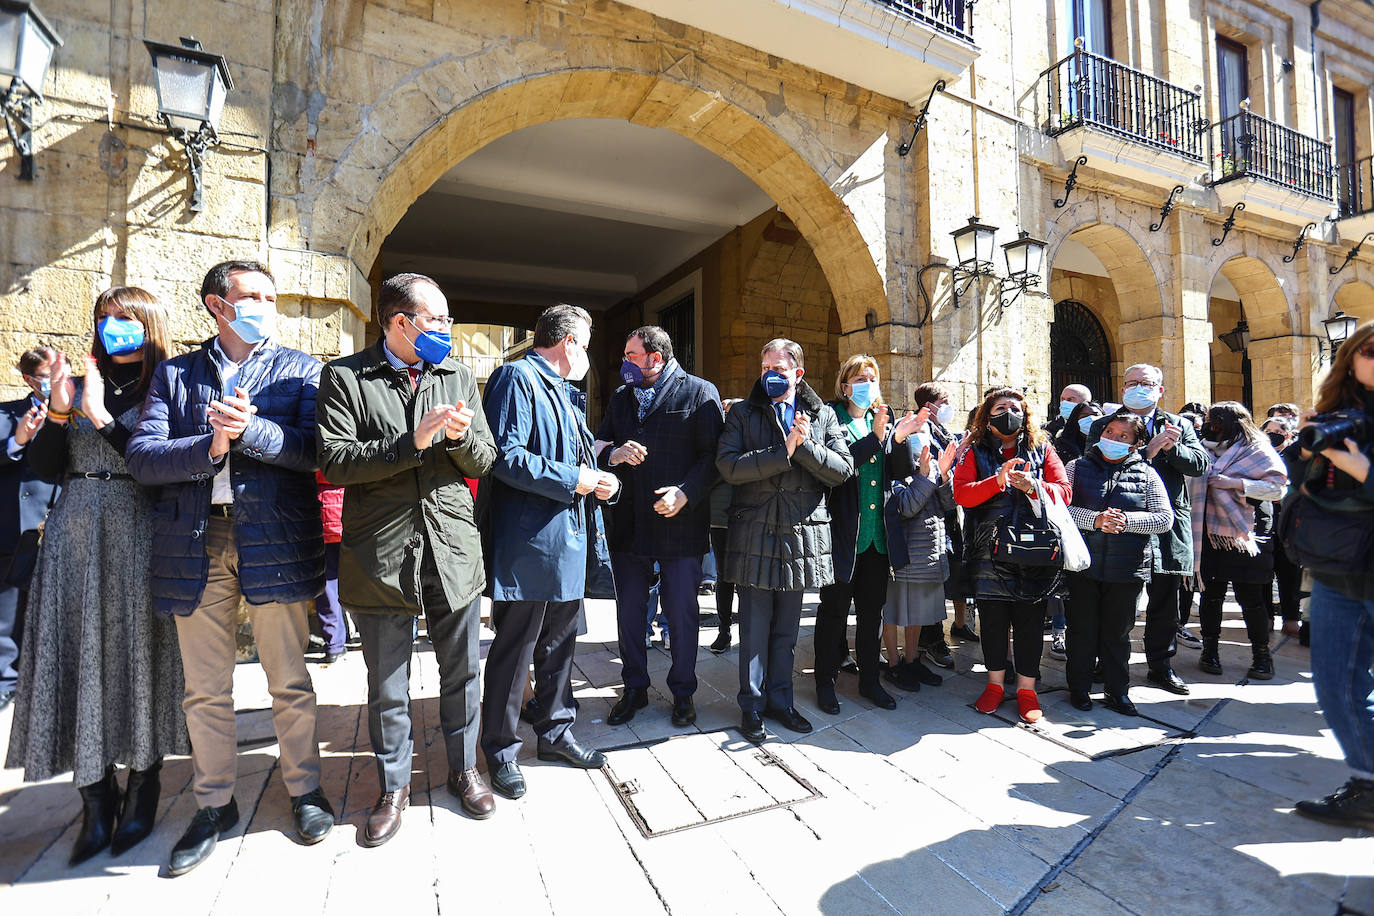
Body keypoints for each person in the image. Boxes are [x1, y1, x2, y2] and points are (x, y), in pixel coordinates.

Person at [126, 260, 333, 876]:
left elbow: (316, 452)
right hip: (198, 542)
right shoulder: (177, 374)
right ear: (217, 305)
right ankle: (214, 803)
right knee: (205, 689)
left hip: (275, 539)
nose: (266, 304)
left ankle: (305, 790)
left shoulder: (301, 370)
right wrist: (210, 447)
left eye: (270, 296)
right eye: (253, 296)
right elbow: (143, 458)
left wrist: (252, 433)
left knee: (289, 678)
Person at [6, 290, 187, 865]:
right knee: (78, 658)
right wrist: (60, 411)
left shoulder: (170, 382)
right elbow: (43, 467)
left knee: (136, 656)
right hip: (74, 533)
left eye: (125, 319)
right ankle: (94, 796)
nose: (113, 329)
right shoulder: (82, 378)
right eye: (105, 320)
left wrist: (103, 417)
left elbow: (157, 468)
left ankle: (143, 787)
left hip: (137, 531)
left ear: (148, 324)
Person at [316, 273, 497, 843]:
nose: (446, 329)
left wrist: (462, 440)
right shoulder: (346, 377)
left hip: (452, 550)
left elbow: (485, 459)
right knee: (387, 682)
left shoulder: (459, 376)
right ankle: (392, 785)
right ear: (401, 322)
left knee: (463, 672)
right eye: (438, 320)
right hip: (381, 554)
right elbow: (334, 460)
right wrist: (410, 443)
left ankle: (464, 770)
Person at [480, 304, 620, 801]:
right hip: (529, 544)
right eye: (586, 343)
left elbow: (577, 454)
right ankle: (499, 750)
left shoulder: (566, 391)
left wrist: (601, 478)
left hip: (568, 541)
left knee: (561, 647)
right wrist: (574, 479)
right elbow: (505, 455)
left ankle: (557, 732)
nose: (588, 355)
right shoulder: (515, 379)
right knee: (515, 651)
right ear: (568, 342)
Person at [717, 338, 852, 742]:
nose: (771, 375)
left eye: (779, 369)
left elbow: (843, 469)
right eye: (765, 368)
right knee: (754, 629)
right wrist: (783, 451)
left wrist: (804, 446)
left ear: (798, 373)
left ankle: (781, 700)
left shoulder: (822, 414)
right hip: (754, 530)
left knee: (787, 631)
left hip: (799, 536)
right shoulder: (743, 412)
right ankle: (752, 707)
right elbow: (728, 466)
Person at [597, 326, 723, 728]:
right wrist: (614, 454)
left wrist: (686, 493)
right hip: (629, 524)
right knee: (630, 611)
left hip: (679, 523)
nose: (625, 363)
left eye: (632, 356)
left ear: (656, 357)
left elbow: (712, 457)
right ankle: (633, 686)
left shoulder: (700, 392)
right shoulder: (620, 397)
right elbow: (598, 444)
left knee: (682, 613)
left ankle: (683, 691)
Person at [1287, 321, 1374, 829]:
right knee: (1336, 686)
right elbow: (1297, 485)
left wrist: (1365, 471)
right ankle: (1367, 783)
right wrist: (1304, 452)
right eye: (1370, 349)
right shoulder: (1339, 416)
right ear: (1352, 358)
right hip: (1339, 571)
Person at [1089, 364, 1209, 697]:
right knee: (1116, 600)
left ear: (1160, 389)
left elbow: (1200, 465)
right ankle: (1108, 661)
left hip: (1166, 523)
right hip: (1119, 522)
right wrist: (1149, 450)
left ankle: (1160, 664)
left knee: (1165, 600)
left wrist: (1173, 448)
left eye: (1145, 383)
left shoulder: (1179, 425)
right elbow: (1091, 463)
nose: (1137, 388)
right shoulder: (1104, 424)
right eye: (1131, 383)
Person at [954, 386, 1071, 724]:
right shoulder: (973, 451)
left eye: (1015, 407)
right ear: (986, 416)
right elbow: (962, 494)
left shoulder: (1043, 449)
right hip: (988, 550)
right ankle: (993, 684)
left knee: (1030, 623)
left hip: (1034, 550)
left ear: (1026, 415)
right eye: (1000, 407)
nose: (1008, 412)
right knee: (992, 621)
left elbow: (1064, 491)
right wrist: (997, 480)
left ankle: (1026, 689)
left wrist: (1033, 485)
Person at [813, 356, 914, 714]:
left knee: (871, 615)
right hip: (842, 535)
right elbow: (835, 467)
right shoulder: (830, 418)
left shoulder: (880, 419)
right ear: (844, 384)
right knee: (834, 613)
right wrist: (876, 438)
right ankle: (824, 682)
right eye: (858, 378)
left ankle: (870, 681)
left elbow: (900, 472)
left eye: (871, 378)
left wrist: (898, 440)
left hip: (877, 538)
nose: (866, 383)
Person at [1062, 409, 1174, 716]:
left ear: (1136, 443)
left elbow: (1164, 518)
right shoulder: (1077, 467)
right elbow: (1062, 510)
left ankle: (1117, 691)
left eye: (1123, 436)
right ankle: (1079, 688)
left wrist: (1125, 522)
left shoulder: (1147, 473)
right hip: (1083, 565)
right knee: (1081, 631)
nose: (1114, 439)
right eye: (1110, 432)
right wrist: (1095, 520)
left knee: (1117, 634)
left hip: (1127, 569)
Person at [1190, 402, 1288, 680]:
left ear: (1231, 422)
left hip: (1246, 534)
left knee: (1252, 598)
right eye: (1209, 420)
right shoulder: (1202, 447)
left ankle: (1261, 656)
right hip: (1209, 533)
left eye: (1215, 421)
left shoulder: (1257, 448)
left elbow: (1277, 487)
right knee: (1211, 596)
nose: (1210, 425)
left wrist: (1234, 483)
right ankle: (1209, 651)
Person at [0, 347, 60, 712]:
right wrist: (18, 440)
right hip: (13, 527)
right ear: (29, 379)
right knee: (7, 611)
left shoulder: (78, 412)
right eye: (45, 377)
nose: (53, 383)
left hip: (60, 521)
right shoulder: (6, 413)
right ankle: (6, 681)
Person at [885, 416, 959, 700]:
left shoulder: (931, 467)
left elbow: (949, 506)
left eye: (924, 431)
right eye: (915, 430)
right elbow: (905, 507)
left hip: (928, 556)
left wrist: (943, 477)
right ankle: (893, 664)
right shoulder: (896, 467)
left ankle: (912, 660)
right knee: (892, 613)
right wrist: (926, 476)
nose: (921, 436)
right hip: (903, 559)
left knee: (916, 614)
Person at [916, 383, 978, 645]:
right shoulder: (921, 433)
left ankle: (957, 625)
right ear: (928, 406)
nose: (948, 406)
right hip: (933, 512)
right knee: (934, 580)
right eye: (944, 401)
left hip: (951, 514)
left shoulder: (945, 434)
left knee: (955, 570)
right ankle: (930, 639)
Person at [1048, 400, 1103, 661]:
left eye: (1096, 415)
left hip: (1098, 527)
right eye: (1086, 415)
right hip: (1069, 520)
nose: (1091, 419)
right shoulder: (1062, 447)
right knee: (1064, 582)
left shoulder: (1105, 449)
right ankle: (1059, 631)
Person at [1261, 414, 1304, 638]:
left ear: (1287, 435)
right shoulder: (1258, 455)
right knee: (1264, 573)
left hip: (1289, 525)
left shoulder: (1294, 456)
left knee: (1290, 575)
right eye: (1268, 431)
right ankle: (1266, 617)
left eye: (1277, 432)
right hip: (1264, 524)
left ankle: (1291, 618)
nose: (1272, 436)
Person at [705, 399, 741, 653]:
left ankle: (746, 630)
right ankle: (724, 629)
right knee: (725, 576)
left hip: (746, 515)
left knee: (747, 578)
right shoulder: (716, 440)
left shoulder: (748, 437)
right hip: (720, 518)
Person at [312, 470, 347, 665]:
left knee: (327, 583)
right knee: (363, 580)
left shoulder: (313, 440)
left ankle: (334, 645)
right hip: (351, 509)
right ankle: (369, 638)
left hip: (322, 510)